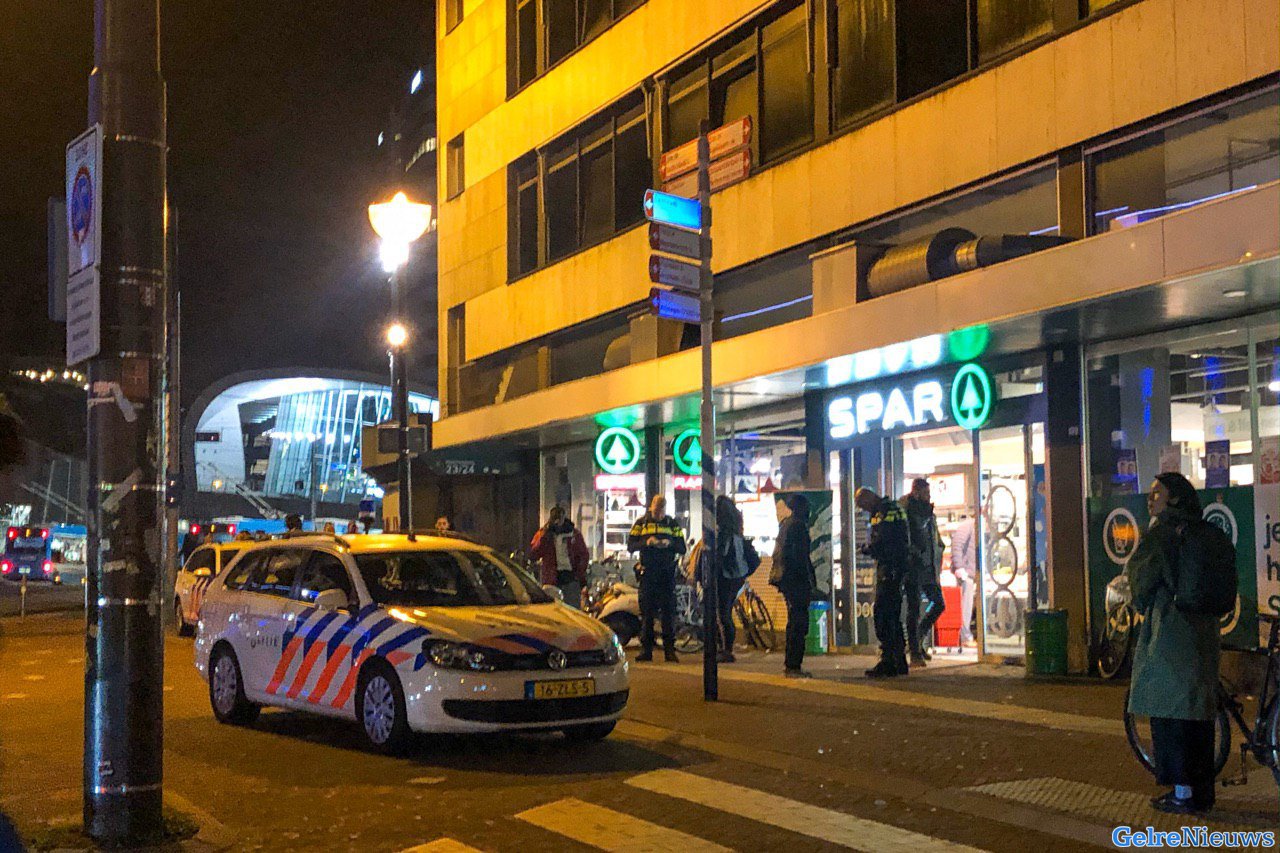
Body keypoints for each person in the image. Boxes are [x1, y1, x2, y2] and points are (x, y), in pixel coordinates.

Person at [1126, 472, 1221, 815]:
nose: (1151, 499)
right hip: (1204, 631)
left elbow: (1140, 578)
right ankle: (1203, 791)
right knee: (1198, 713)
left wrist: (1139, 603)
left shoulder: (1163, 533)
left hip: (1170, 630)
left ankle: (1182, 792)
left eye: (1157, 493)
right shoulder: (1202, 531)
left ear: (1174, 500)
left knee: (1169, 710)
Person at [855, 487, 911, 678]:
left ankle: (888, 661)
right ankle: (899, 661)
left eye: (863, 505)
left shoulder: (884, 512)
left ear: (869, 498)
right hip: (897, 567)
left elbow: (884, 540)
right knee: (893, 616)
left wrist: (867, 549)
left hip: (890, 568)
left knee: (883, 615)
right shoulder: (892, 508)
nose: (864, 509)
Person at [627, 495, 687, 662]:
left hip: (667, 574)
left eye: (661, 511)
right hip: (648, 573)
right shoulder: (641, 524)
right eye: (656, 511)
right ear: (651, 507)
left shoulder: (672, 524)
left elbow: (682, 548)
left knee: (668, 613)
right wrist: (647, 542)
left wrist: (670, 543)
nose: (659, 514)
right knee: (647, 613)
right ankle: (646, 650)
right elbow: (631, 546)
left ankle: (669, 650)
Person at [901, 478, 946, 666]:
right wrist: (915, 556)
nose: (929, 497)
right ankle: (915, 651)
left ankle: (917, 639)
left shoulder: (928, 513)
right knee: (914, 609)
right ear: (916, 493)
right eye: (926, 493)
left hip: (928, 567)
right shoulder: (909, 511)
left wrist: (939, 551)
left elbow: (933, 537)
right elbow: (911, 537)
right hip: (914, 567)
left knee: (939, 604)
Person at [770, 493, 815, 678]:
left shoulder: (786, 525)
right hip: (796, 581)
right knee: (799, 623)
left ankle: (791, 664)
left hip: (787, 580)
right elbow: (800, 558)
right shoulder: (798, 527)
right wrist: (809, 581)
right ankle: (793, 665)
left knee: (794, 622)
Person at [714, 495, 759, 663]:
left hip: (726, 576)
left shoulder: (724, 533)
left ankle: (725, 649)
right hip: (737, 576)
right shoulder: (737, 531)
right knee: (726, 612)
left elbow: (721, 555)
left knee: (722, 613)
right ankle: (726, 648)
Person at [529, 505, 589, 608]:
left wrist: (578, 574)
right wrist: (545, 536)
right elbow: (534, 553)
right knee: (553, 610)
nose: (557, 522)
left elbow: (583, 555)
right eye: (555, 519)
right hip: (552, 579)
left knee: (572, 610)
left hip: (570, 577)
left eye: (560, 518)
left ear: (564, 518)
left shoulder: (573, 534)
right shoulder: (545, 533)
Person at [949, 514, 978, 646]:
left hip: (970, 573)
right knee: (965, 605)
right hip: (966, 573)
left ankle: (966, 635)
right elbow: (957, 545)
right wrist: (959, 567)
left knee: (967, 605)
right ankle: (965, 636)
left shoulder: (974, 526)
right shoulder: (968, 525)